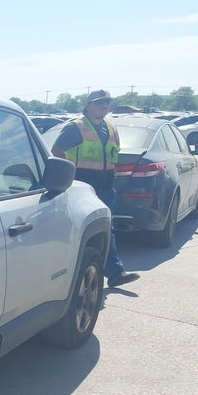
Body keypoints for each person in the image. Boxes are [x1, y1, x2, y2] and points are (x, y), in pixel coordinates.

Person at [52, 90, 140, 288]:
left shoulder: (110, 128)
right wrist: (67, 176)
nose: (104, 105)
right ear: (88, 105)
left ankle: (114, 272)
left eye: (107, 102)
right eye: (99, 102)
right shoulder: (75, 127)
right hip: (81, 189)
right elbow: (57, 151)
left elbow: (113, 156)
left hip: (106, 189)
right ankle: (81, 275)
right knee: (82, 232)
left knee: (106, 230)